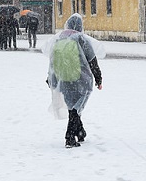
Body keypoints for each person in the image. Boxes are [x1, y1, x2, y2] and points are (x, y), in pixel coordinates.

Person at [44, 13, 103, 148]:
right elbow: (92, 61)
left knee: (73, 106)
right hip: (81, 79)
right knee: (76, 108)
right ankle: (69, 137)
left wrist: (50, 78)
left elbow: (52, 61)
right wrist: (98, 78)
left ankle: (80, 132)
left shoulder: (59, 39)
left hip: (64, 79)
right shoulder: (82, 39)